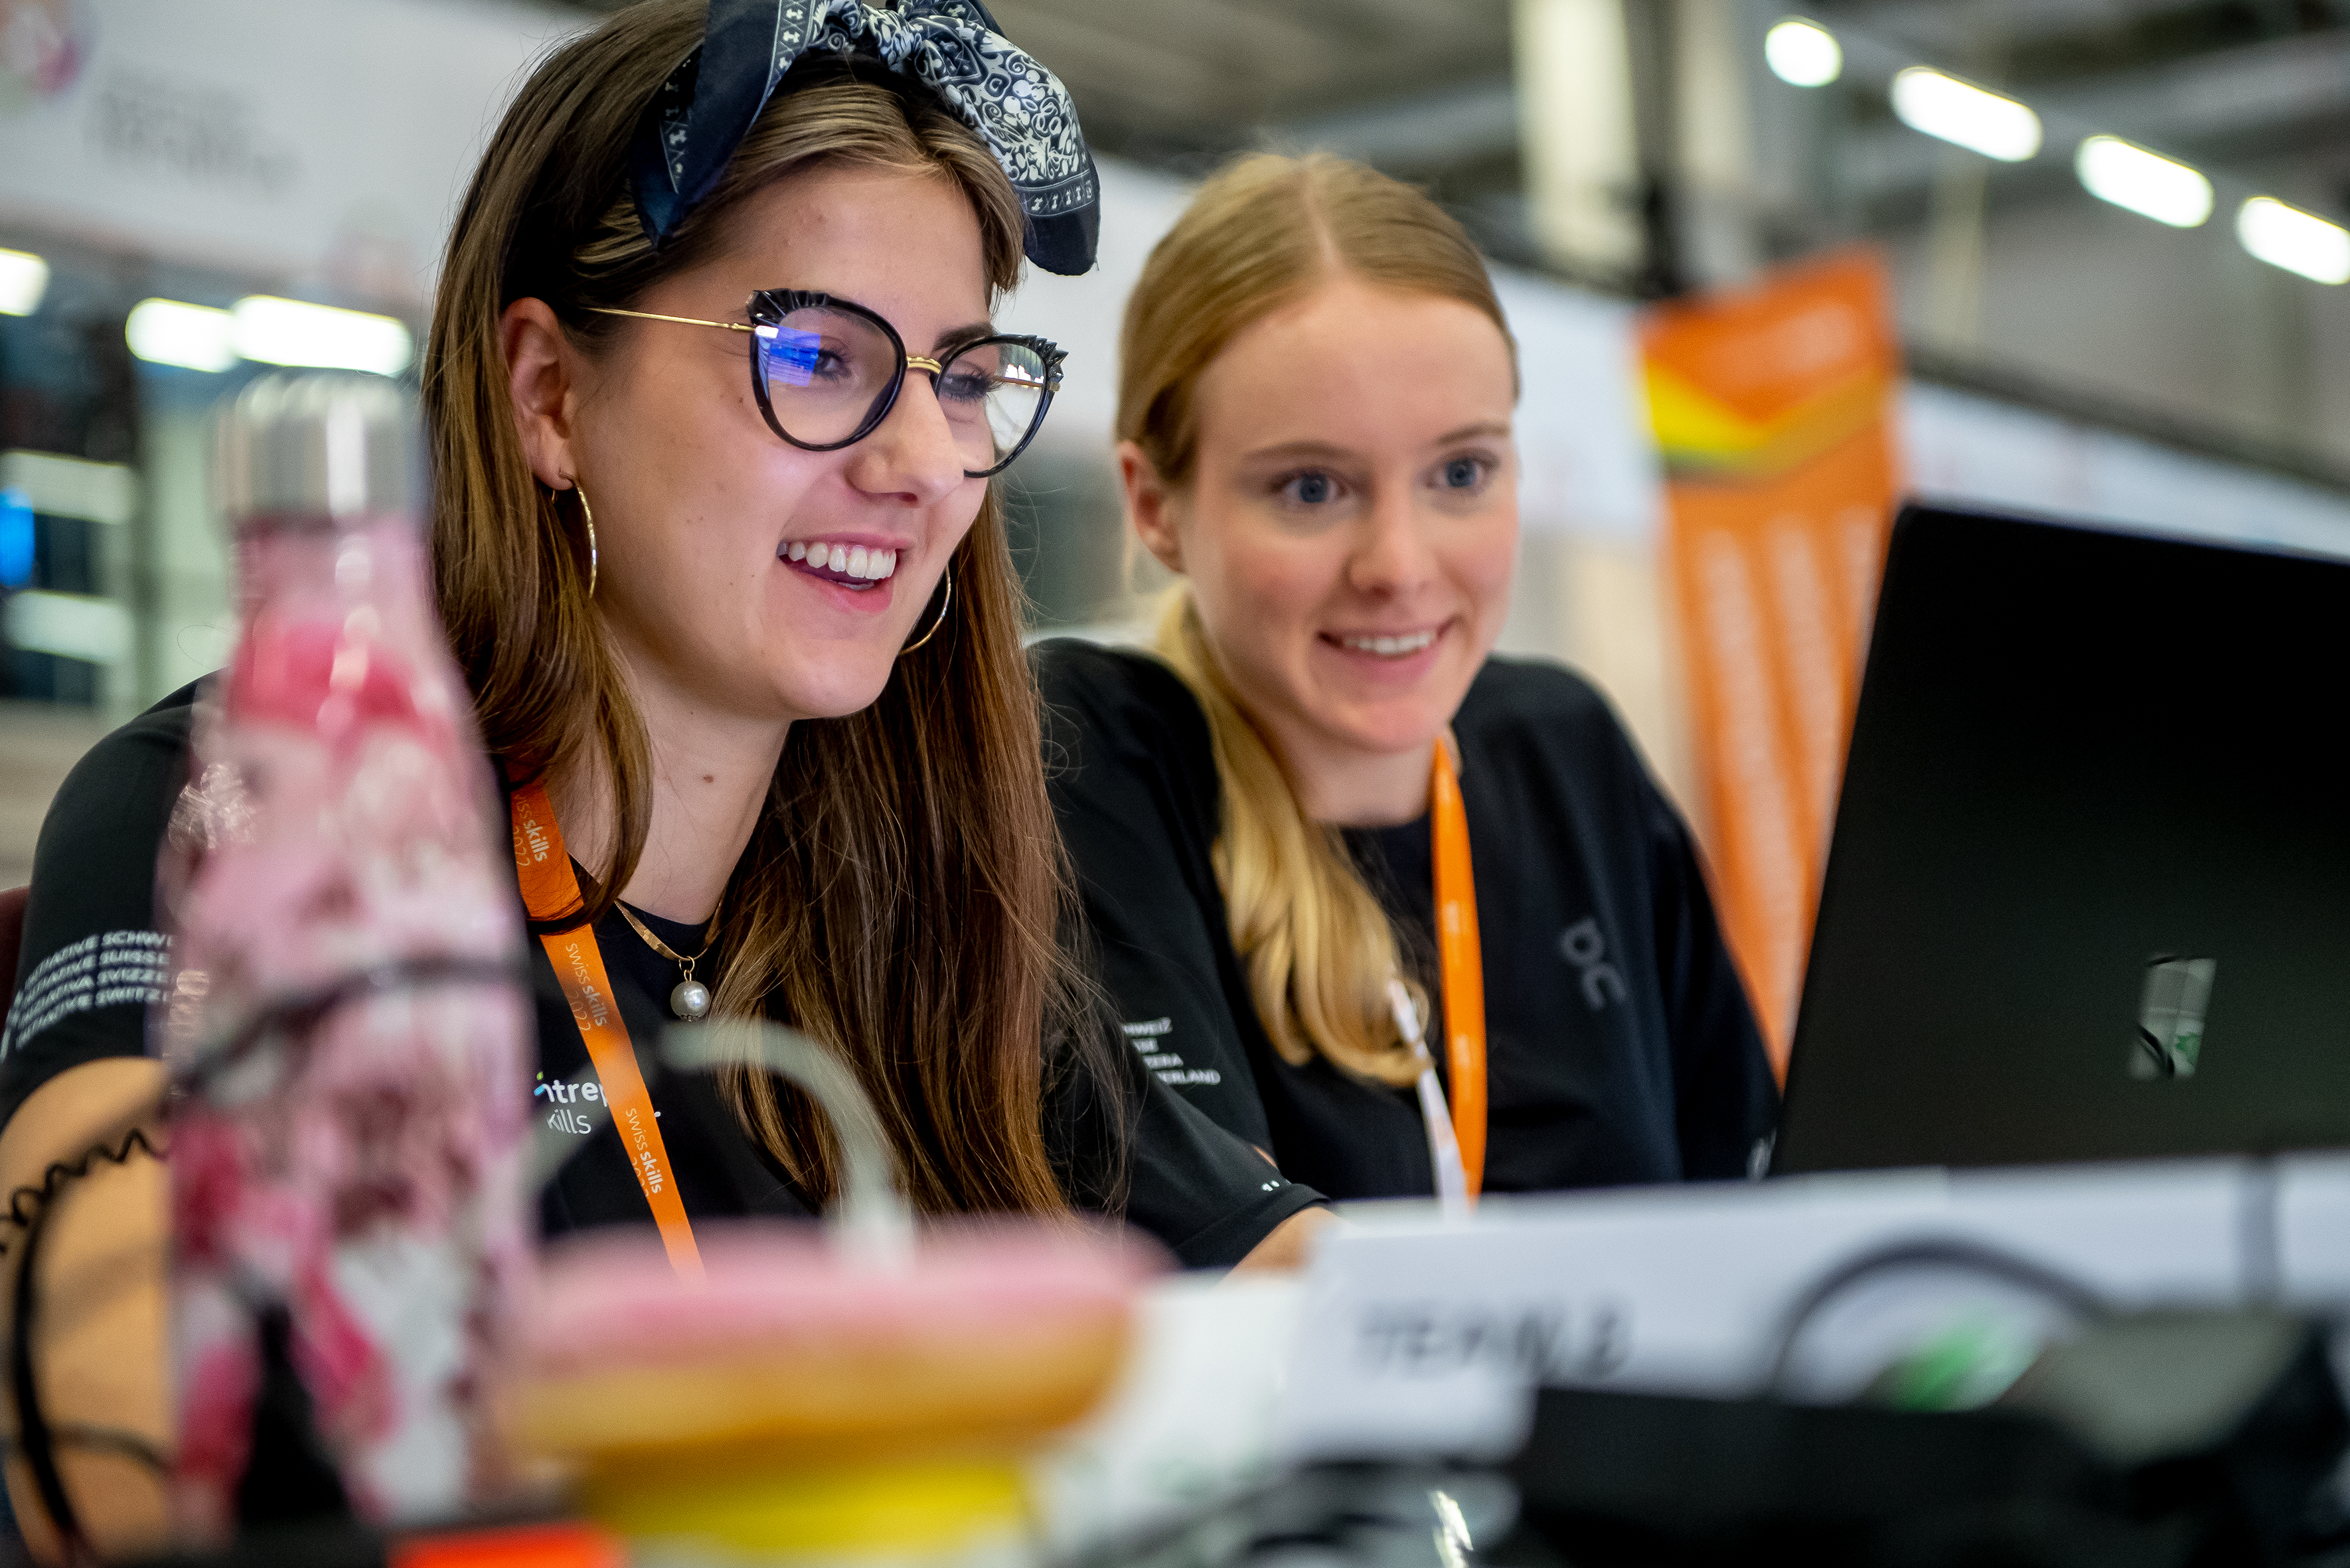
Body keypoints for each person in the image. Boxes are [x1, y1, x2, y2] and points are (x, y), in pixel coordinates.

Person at [0, 5, 1323, 1551]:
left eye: (963, 376)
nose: (915, 460)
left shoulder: (919, 912)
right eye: (817, 355)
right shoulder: (248, 812)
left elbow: (1297, 1292)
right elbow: (102, 1420)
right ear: (550, 394)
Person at [1036, 153, 1778, 1208]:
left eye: (1460, 473)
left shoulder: (1564, 750)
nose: (1399, 564)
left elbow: (1751, 1203)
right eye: (1311, 487)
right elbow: (1198, 1257)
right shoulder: (1089, 755)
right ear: (1155, 506)